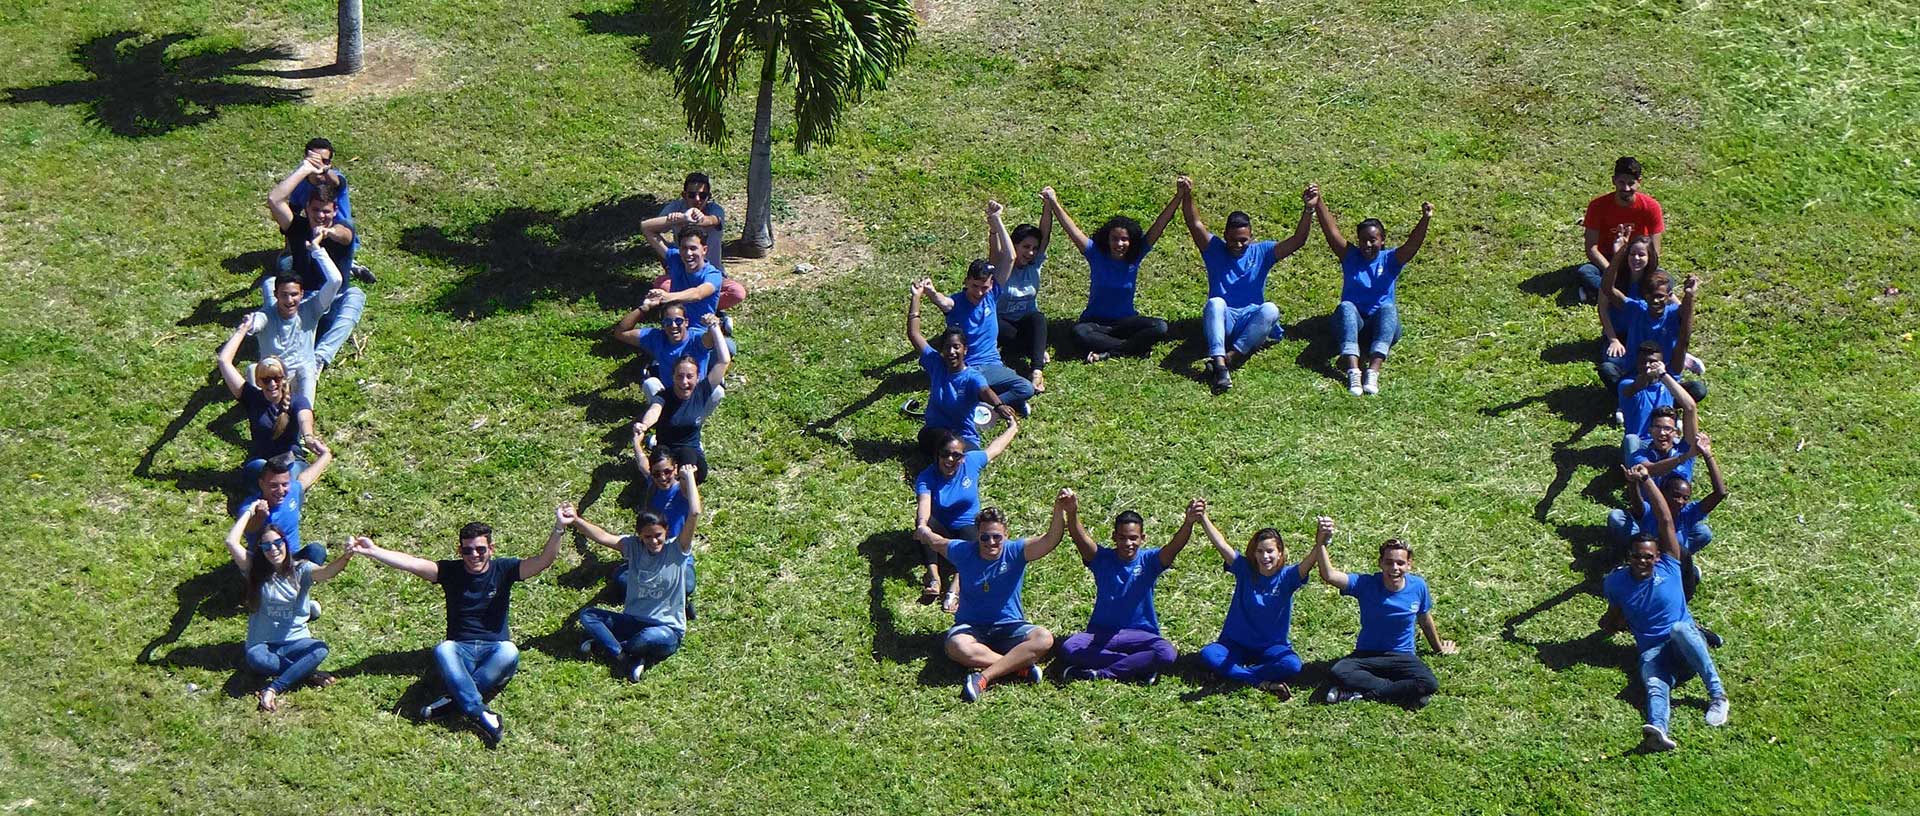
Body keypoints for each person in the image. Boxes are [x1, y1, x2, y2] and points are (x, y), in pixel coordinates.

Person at [346, 508, 569, 748]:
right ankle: (480, 713)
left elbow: (543, 561)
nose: (474, 555)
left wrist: (559, 528)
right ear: (459, 550)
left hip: (494, 651)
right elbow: (412, 563)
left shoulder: (503, 570)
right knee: (444, 650)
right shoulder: (450, 571)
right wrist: (373, 551)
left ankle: (454, 702)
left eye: (481, 549)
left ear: (491, 550)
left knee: (510, 651)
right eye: (467, 550)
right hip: (460, 652)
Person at [1600, 465, 1730, 752]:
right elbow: (1612, 619)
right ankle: (1659, 730)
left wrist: (1647, 481)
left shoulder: (1670, 564)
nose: (1642, 561)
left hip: (1682, 648)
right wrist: (1610, 623)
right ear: (1629, 557)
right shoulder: (1616, 583)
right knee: (1655, 683)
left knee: (1681, 628)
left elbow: (1664, 519)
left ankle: (1718, 696)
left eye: (1648, 556)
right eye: (1636, 556)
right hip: (1652, 652)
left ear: (1658, 556)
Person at [919, 492, 1073, 702]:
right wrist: (923, 530)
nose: (990, 542)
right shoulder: (963, 550)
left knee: (1044, 638)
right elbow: (937, 542)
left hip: (1011, 627)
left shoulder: (1016, 551)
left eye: (996, 537)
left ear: (1006, 535)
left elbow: (1051, 539)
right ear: (977, 535)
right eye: (984, 537)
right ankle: (1017, 668)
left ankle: (984, 676)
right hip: (972, 629)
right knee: (956, 646)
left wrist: (1059, 509)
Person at [1178, 176, 1314, 392]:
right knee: (1215, 303)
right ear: (1225, 236)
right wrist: (1187, 194)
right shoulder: (1214, 249)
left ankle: (1229, 359)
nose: (1238, 245)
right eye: (1233, 240)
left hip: (1250, 322)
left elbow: (1298, 240)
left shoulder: (1263, 252)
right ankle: (1220, 364)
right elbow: (1194, 223)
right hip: (1223, 321)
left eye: (1244, 240)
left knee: (1271, 309)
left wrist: (1308, 210)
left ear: (1252, 236)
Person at [222, 509, 358, 712]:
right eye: (266, 546)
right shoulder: (255, 570)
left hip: (295, 640)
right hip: (263, 645)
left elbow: (328, 572)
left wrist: (347, 556)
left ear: (285, 543)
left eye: (277, 543)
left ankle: (274, 687)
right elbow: (231, 542)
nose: (273, 549)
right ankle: (307, 673)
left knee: (320, 649)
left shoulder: (301, 569)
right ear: (260, 549)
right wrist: (250, 512)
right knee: (256, 659)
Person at [567, 481, 703, 682]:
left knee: (650, 637)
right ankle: (626, 656)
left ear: (666, 531)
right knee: (589, 615)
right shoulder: (633, 547)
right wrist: (576, 520)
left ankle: (608, 647)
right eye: (647, 537)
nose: (654, 541)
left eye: (658, 536)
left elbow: (694, 513)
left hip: (666, 630)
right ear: (639, 536)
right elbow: (603, 537)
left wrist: (689, 477)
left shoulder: (677, 549)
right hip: (632, 622)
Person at [1056, 495, 1193, 684]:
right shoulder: (1101, 559)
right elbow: (1080, 538)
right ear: (1114, 537)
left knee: (1167, 653)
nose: (1128, 543)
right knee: (1070, 647)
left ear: (1142, 538)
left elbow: (1175, 546)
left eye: (1133, 538)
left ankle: (1100, 673)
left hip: (1141, 635)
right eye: (1122, 537)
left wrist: (1188, 522)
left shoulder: (1150, 561)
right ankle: (1137, 666)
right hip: (1102, 634)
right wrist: (1072, 512)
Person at [1311, 185, 1432, 396]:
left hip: (1381, 326)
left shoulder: (1391, 260)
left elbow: (1412, 245)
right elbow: (1331, 232)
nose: (1367, 244)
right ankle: (1353, 371)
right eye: (1363, 240)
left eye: (1373, 240)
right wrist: (1318, 200)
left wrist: (1425, 219)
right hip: (1353, 324)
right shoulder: (1350, 256)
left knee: (1388, 308)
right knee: (1346, 307)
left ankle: (1373, 372)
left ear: (1382, 240)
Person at [1317, 527, 1457, 707]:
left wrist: (1438, 648)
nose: (1394, 568)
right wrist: (1321, 543)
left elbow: (1424, 618)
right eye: (1389, 562)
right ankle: (1400, 693)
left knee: (1429, 683)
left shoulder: (1418, 586)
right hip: (1367, 656)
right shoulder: (1366, 584)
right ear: (1380, 563)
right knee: (1339, 671)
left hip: (1402, 656)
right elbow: (1329, 575)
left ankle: (1361, 694)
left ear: (1409, 564)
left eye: (1400, 563)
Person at [1040, 184, 1179, 363]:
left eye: (1124, 239)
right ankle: (1131, 348)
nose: (1119, 244)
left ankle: (1110, 352)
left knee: (1160, 327)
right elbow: (1071, 229)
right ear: (1107, 239)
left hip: (1125, 322)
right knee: (1079, 333)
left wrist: (1178, 196)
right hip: (1095, 323)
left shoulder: (1135, 257)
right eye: (1115, 238)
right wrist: (1053, 202)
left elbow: (1159, 226)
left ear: (1131, 241)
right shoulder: (1095, 254)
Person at [1194, 506, 1322, 699]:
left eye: (1270, 551)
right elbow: (1221, 544)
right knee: (1209, 654)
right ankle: (1261, 682)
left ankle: (1233, 674)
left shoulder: (1287, 577)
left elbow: (1310, 561)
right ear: (1253, 553)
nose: (1265, 557)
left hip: (1271, 647)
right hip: (1234, 644)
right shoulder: (1244, 569)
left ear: (1280, 553)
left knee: (1292, 665)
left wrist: (1321, 541)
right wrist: (1203, 518)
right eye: (1260, 551)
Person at [925, 201, 1035, 413]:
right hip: (970, 368)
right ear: (966, 282)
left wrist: (997, 221)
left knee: (1022, 387)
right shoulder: (957, 302)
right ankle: (992, 404)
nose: (979, 292)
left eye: (984, 287)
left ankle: (982, 405)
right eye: (974, 286)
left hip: (994, 365)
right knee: (1019, 388)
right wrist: (930, 292)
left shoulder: (992, 295)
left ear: (991, 285)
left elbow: (1010, 257)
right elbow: (943, 302)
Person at [267, 159, 365, 373]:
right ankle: (279, 338)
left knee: (356, 295)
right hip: (305, 303)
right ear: (307, 209)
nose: (321, 216)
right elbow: (274, 200)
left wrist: (328, 233)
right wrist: (304, 170)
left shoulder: (342, 229)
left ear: (335, 210)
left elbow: (345, 236)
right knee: (269, 284)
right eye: (315, 210)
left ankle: (320, 358)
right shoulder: (297, 227)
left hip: (333, 302)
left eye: (326, 211)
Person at [914, 420, 1019, 610]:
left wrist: (1012, 428)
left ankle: (955, 588)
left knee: (978, 544)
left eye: (956, 455)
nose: (950, 460)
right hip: (941, 527)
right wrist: (922, 526)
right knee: (925, 523)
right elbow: (924, 503)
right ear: (937, 455)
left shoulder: (971, 463)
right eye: (945, 454)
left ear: (963, 457)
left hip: (967, 525)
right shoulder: (927, 477)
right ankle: (934, 577)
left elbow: (995, 449)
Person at [1610, 434, 1726, 602]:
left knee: (1704, 532)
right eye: (1676, 496)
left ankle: (1687, 569)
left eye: (1685, 498)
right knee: (1617, 518)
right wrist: (1633, 483)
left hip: (1672, 561)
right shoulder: (1651, 510)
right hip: (1650, 559)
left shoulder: (1688, 513)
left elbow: (1720, 493)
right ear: (1663, 493)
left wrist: (1707, 455)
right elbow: (1637, 505)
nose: (1681, 502)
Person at [906, 279, 1018, 452]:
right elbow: (914, 334)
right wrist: (916, 298)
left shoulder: (972, 376)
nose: (951, 352)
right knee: (942, 442)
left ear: (965, 350)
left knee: (959, 449)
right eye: (947, 347)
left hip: (964, 436)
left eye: (956, 347)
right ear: (941, 350)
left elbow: (984, 391)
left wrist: (999, 405)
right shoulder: (936, 364)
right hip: (936, 433)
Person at [632, 312, 733, 483]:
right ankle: (668, 485)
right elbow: (655, 410)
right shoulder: (665, 395)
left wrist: (714, 327)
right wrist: (645, 424)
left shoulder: (702, 391)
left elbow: (724, 361)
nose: (684, 382)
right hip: (666, 453)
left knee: (687, 455)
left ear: (697, 376)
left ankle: (684, 487)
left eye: (689, 376)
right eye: (679, 376)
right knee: (661, 464)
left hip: (691, 455)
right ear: (673, 377)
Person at [1600, 238, 1704, 403]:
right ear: (1645, 296)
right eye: (1651, 296)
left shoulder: (1673, 314)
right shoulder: (1637, 309)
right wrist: (1619, 255)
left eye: (1660, 297)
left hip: (1665, 380)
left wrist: (1690, 295)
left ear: (1669, 297)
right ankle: (1628, 400)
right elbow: (1607, 288)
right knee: (1608, 369)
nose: (1656, 301)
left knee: (1698, 389)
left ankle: (1653, 402)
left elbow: (1686, 331)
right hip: (1636, 376)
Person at [216, 316, 314, 480]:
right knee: (262, 472)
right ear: (259, 382)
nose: (272, 384)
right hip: (261, 463)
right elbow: (224, 361)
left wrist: (309, 437)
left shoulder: (297, 401)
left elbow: (305, 419)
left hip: (291, 462)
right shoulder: (252, 397)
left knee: (285, 476)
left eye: (276, 378)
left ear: (284, 379)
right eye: (266, 379)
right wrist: (243, 329)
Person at [247, 243, 345, 407]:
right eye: (284, 295)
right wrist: (250, 324)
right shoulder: (266, 315)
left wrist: (317, 250)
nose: (289, 300)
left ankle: (305, 414)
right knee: (252, 369)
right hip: (272, 379)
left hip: (300, 379)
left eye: (294, 295)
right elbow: (257, 322)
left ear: (301, 294)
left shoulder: (311, 309)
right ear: (276, 294)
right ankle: (261, 410)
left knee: (306, 370)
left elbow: (336, 281)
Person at [615, 450, 701, 619]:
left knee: (688, 585)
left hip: (675, 555)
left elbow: (695, 509)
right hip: (651, 554)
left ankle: (667, 598)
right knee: (620, 579)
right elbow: (642, 463)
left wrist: (689, 476)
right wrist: (636, 441)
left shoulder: (682, 491)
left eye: (667, 472)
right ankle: (674, 601)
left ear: (675, 468)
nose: (662, 478)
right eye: (657, 474)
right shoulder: (652, 487)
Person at [639, 208, 733, 351]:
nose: (688, 254)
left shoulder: (712, 274)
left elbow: (697, 294)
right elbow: (646, 227)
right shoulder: (676, 258)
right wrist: (682, 218)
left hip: (698, 331)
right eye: (684, 248)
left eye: (693, 248)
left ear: (704, 250)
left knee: (729, 348)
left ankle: (720, 327)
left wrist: (667, 297)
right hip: (674, 327)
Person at [1575, 156, 1665, 303]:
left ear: (1639, 182)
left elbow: (1654, 250)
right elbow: (1591, 248)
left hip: (1636, 258)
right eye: (1621, 182)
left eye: (1631, 183)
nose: (1626, 188)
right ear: (1613, 181)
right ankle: (1630, 296)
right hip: (1607, 259)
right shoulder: (1598, 206)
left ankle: (1603, 295)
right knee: (1586, 272)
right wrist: (1612, 270)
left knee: (1664, 278)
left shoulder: (1651, 206)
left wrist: (1641, 270)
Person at [654, 172, 747, 309]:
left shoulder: (715, 209)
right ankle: (702, 305)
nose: (697, 199)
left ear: (708, 197)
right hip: (683, 273)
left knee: (737, 292)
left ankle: (686, 304)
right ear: (684, 195)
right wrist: (669, 265)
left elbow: (712, 220)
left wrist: (695, 218)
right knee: (662, 285)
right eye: (692, 195)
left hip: (710, 275)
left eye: (703, 196)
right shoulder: (676, 208)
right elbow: (652, 230)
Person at [236, 441, 335, 566]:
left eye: (284, 484)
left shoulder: (292, 491)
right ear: (261, 484)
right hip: (266, 561)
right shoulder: (252, 506)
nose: (281, 491)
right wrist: (260, 516)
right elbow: (248, 529)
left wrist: (326, 455)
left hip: (292, 558)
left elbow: (305, 479)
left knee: (316, 551)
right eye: (273, 486)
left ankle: (296, 580)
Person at [997, 207, 1054, 391]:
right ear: (1014, 246)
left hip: (1025, 324)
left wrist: (1048, 206)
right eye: (1026, 247)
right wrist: (995, 219)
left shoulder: (1034, 265)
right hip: (1003, 327)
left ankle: (1037, 371)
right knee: (996, 324)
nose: (1030, 253)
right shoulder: (1003, 266)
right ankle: (1032, 348)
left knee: (1038, 318)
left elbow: (1045, 235)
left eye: (1034, 249)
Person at [614, 302, 717, 398]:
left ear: (686, 322)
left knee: (717, 392)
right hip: (670, 397)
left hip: (696, 397)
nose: (673, 326)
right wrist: (644, 308)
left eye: (678, 321)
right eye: (668, 322)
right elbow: (621, 333)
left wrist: (713, 324)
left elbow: (712, 338)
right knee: (650, 384)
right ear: (663, 325)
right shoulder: (656, 338)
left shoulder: (697, 339)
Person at [1616, 342, 1697, 462]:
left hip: (1665, 439)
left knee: (1687, 444)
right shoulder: (1626, 385)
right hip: (1640, 443)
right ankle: (1637, 475)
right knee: (1630, 439)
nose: (1647, 366)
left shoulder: (1667, 385)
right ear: (1637, 364)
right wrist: (1650, 375)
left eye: (1653, 362)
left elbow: (1689, 405)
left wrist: (1663, 375)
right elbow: (1636, 386)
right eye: (1643, 362)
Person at [1627, 403, 1699, 485]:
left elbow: (1690, 407)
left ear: (1675, 432)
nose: (1662, 433)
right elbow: (1652, 470)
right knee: (1630, 440)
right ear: (1650, 430)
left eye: (1667, 428)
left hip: (1679, 496)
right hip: (1648, 498)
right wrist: (1682, 458)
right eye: (1657, 427)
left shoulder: (1684, 449)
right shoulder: (1639, 455)